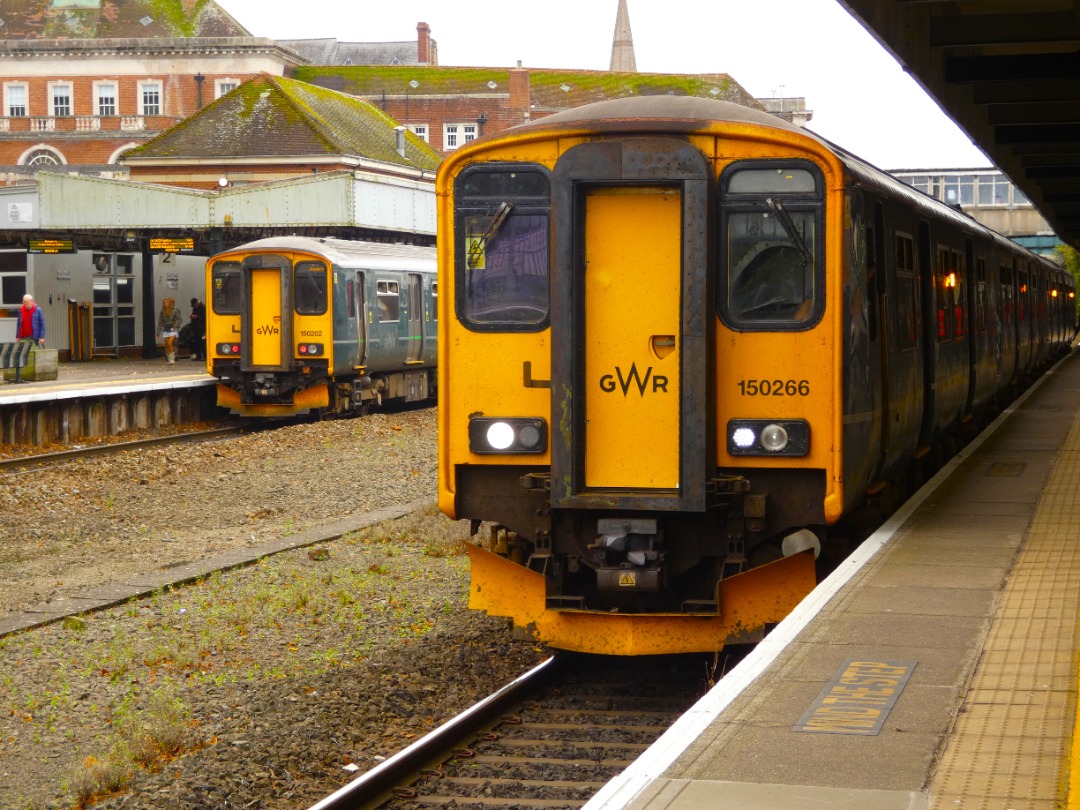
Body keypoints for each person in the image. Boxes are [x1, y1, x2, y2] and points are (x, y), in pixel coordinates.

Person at [157, 297, 182, 364]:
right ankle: (170, 357)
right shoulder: (162, 311)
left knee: (170, 343)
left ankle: (172, 358)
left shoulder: (175, 310)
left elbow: (179, 319)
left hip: (173, 328)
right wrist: (158, 332)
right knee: (167, 344)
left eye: (167, 303)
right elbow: (160, 322)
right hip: (166, 329)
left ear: (170, 303)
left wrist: (175, 326)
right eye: (164, 303)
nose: (165, 304)